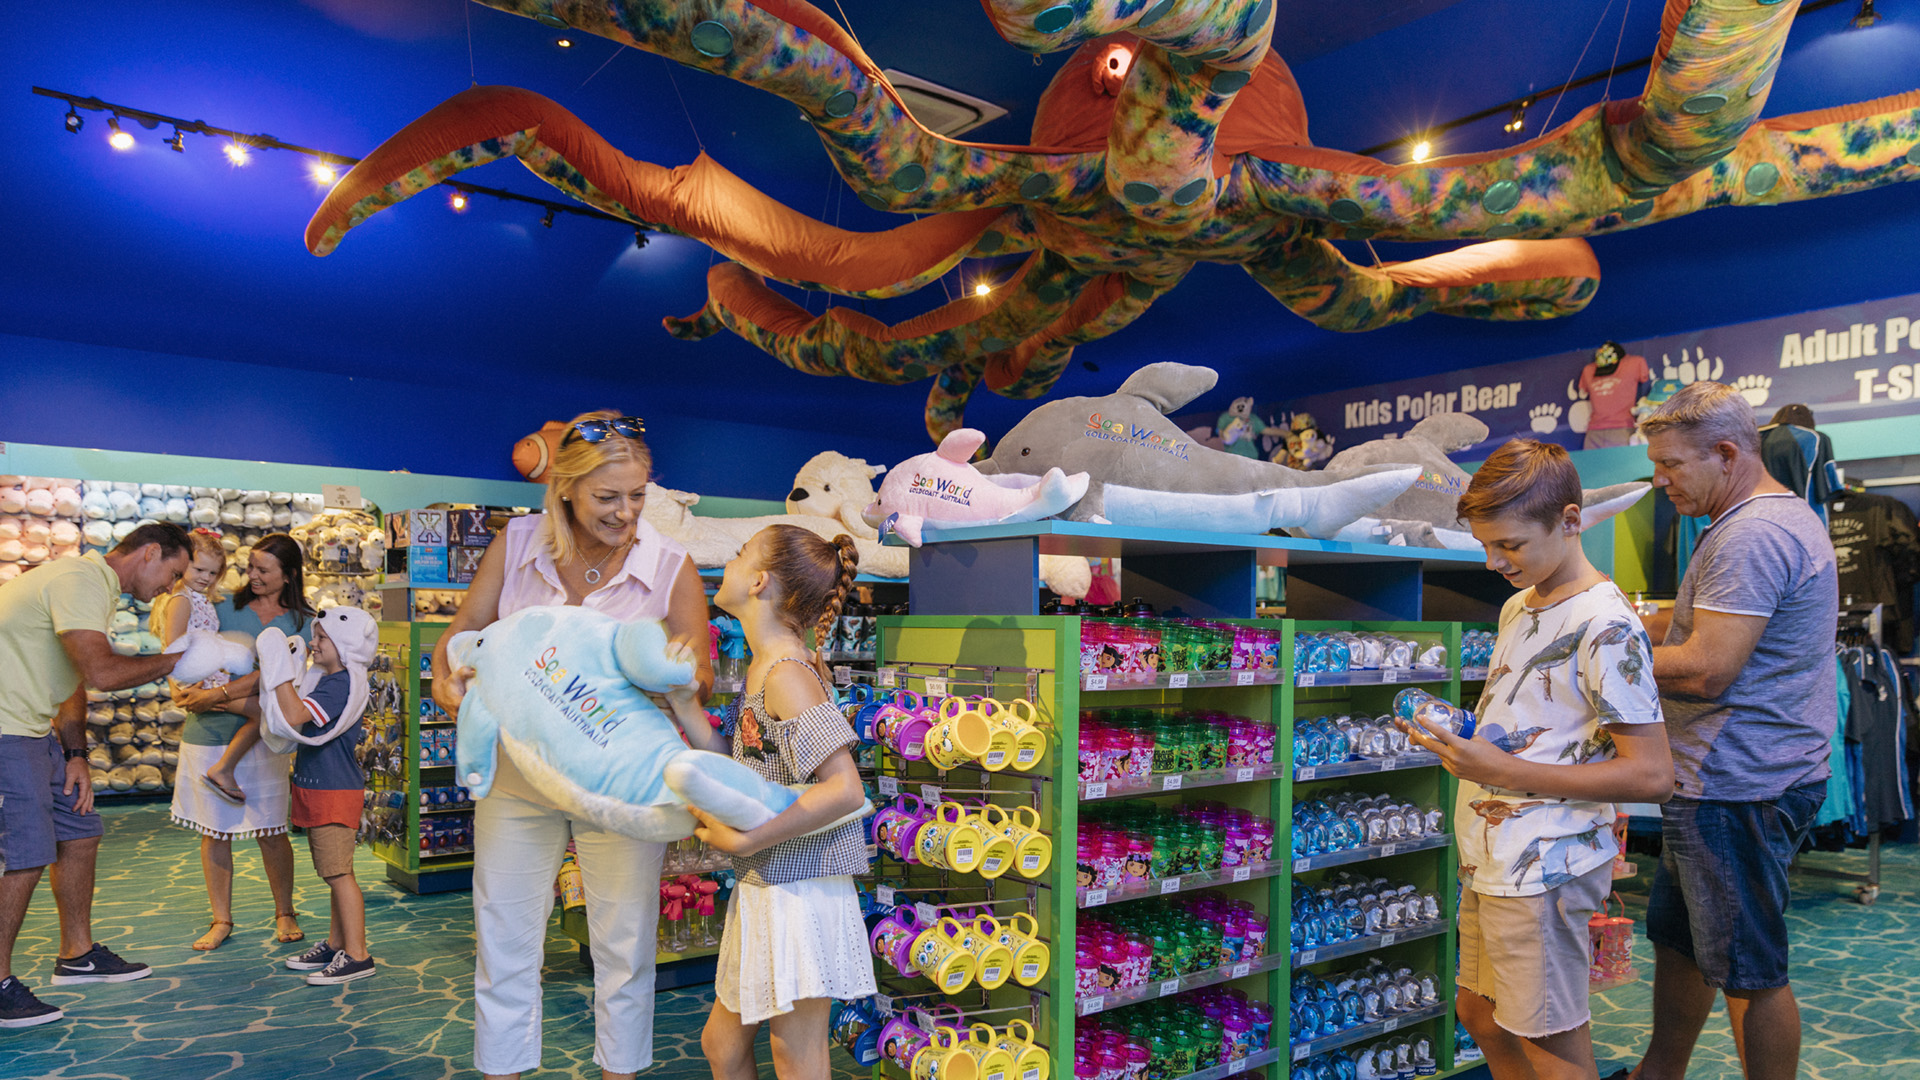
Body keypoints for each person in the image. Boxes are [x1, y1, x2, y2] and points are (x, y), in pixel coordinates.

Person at [432, 410, 713, 1080]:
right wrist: (450, 674)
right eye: (607, 497)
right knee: (504, 939)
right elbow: (464, 628)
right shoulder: (517, 542)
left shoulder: (670, 566)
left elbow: (697, 673)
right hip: (515, 775)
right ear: (564, 488)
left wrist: (676, 670)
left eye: (639, 495)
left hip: (618, 781)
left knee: (624, 944)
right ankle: (503, 1069)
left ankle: (621, 1072)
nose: (626, 513)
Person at [1401, 440, 1672, 1080]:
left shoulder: (1607, 623)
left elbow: (1654, 774)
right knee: (1481, 1013)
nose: (1495, 561)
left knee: (1549, 1040)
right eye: (1486, 545)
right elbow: (1539, 723)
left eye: (1511, 545)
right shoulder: (1518, 606)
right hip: (1493, 854)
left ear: (1572, 520)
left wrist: (1502, 771)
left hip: (1548, 865)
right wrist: (1469, 735)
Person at [1615, 382, 1837, 1080]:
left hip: (1739, 785)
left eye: (1672, 466)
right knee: (1683, 944)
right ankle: (1660, 1072)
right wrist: (1624, 627)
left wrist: (1602, 664)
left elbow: (1709, 667)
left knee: (1750, 968)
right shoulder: (1758, 520)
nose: (1660, 481)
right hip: (1725, 777)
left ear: (1726, 453)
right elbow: (1702, 630)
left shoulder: (1752, 535)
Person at [664, 524, 876, 1080]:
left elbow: (846, 788)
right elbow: (746, 772)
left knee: (796, 1057)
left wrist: (747, 837)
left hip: (798, 892)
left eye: (737, 555)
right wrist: (687, 711)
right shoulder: (766, 666)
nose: (727, 565)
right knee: (721, 1046)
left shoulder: (785, 674)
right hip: (766, 885)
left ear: (758, 581)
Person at [0, 522, 192, 1027]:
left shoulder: (95, 587)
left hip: (35, 729)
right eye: (173, 573)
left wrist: (75, 752)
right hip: (5, 729)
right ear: (150, 552)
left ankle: (76, 954)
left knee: (80, 830)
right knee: (24, 853)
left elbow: (72, 676)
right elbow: (102, 671)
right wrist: (178, 660)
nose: (171, 588)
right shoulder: (80, 579)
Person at [165, 533, 313, 949]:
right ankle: (221, 919)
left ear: (289, 575)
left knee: (271, 828)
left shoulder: (302, 620)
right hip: (208, 732)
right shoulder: (221, 607)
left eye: (264, 570)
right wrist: (185, 687)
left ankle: (285, 912)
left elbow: (278, 674)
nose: (253, 575)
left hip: (263, 736)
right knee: (214, 831)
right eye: (250, 567)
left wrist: (219, 694)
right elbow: (186, 649)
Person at [275, 606, 380, 986]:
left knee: (338, 874)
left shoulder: (338, 684)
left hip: (333, 789)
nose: (313, 644)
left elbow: (294, 714)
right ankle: (339, 942)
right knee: (335, 871)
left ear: (345, 645)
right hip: (322, 785)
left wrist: (278, 670)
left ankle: (357, 954)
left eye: (321, 638)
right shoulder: (331, 678)